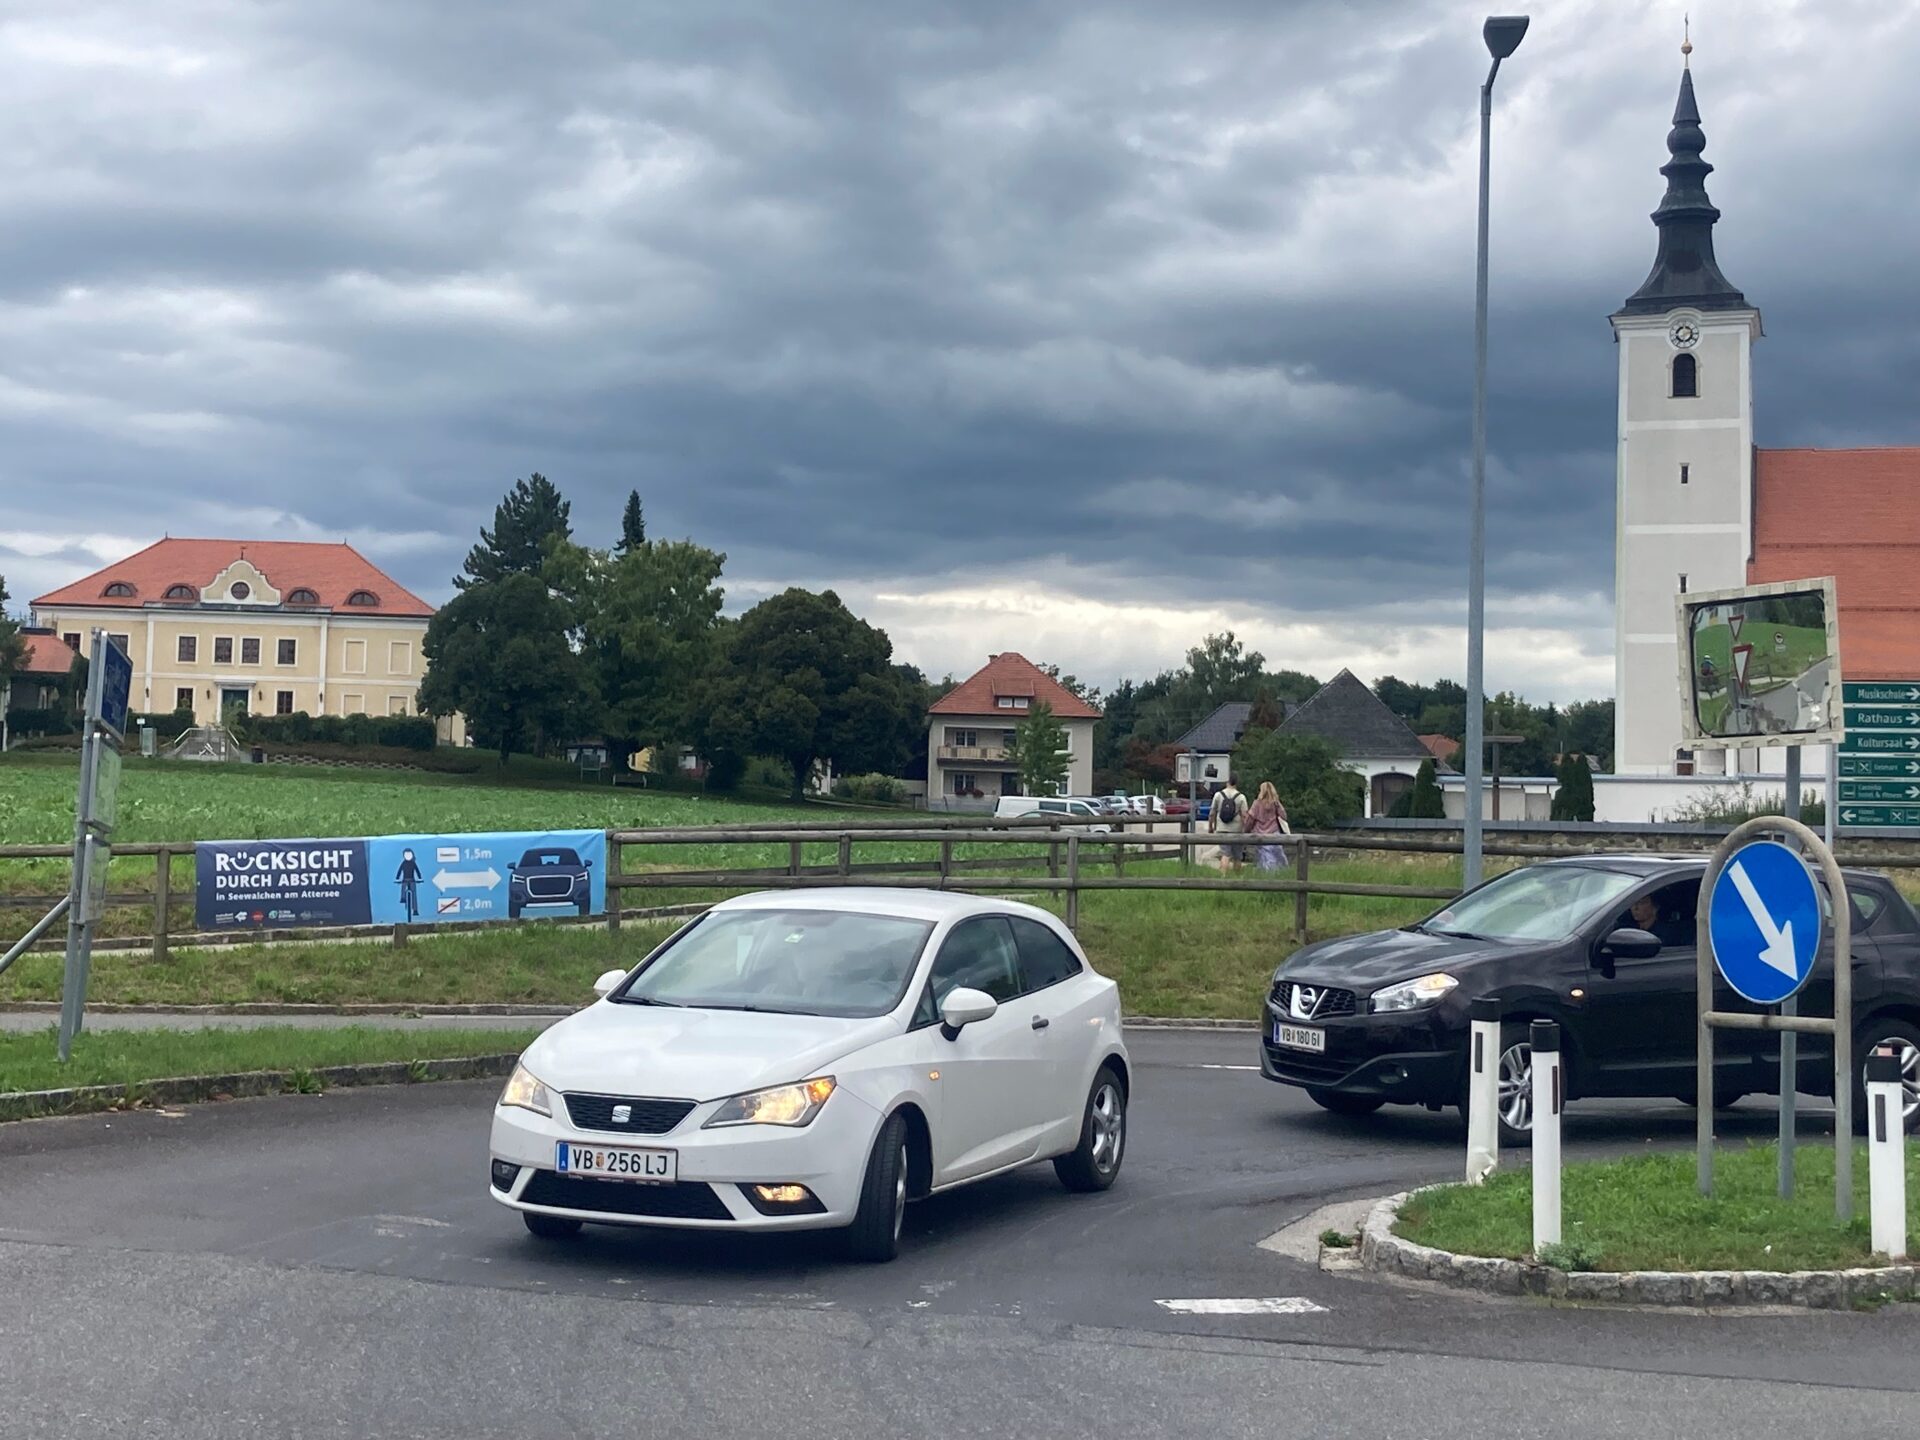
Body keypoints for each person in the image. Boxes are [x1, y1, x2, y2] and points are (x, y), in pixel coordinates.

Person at [1245, 781, 1290, 871]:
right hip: (1274, 833)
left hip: (1260, 834)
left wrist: (1246, 830)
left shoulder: (1257, 803)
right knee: (1278, 856)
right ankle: (1282, 873)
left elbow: (1250, 819)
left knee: (1263, 858)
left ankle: (1266, 873)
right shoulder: (1276, 804)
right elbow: (1284, 816)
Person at [1208, 778, 1248, 873]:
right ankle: (1237, 876)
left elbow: (1212, 813)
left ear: (1227, 782)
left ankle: (1223, 876)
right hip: (1237, 830)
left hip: (1222, 829)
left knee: (1225, 854)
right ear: (1236, 783)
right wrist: (1245, 829)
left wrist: (1211, 826)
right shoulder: (1241, 797)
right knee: (1237, 856)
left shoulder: (1218, 795)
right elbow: (1244, 815)